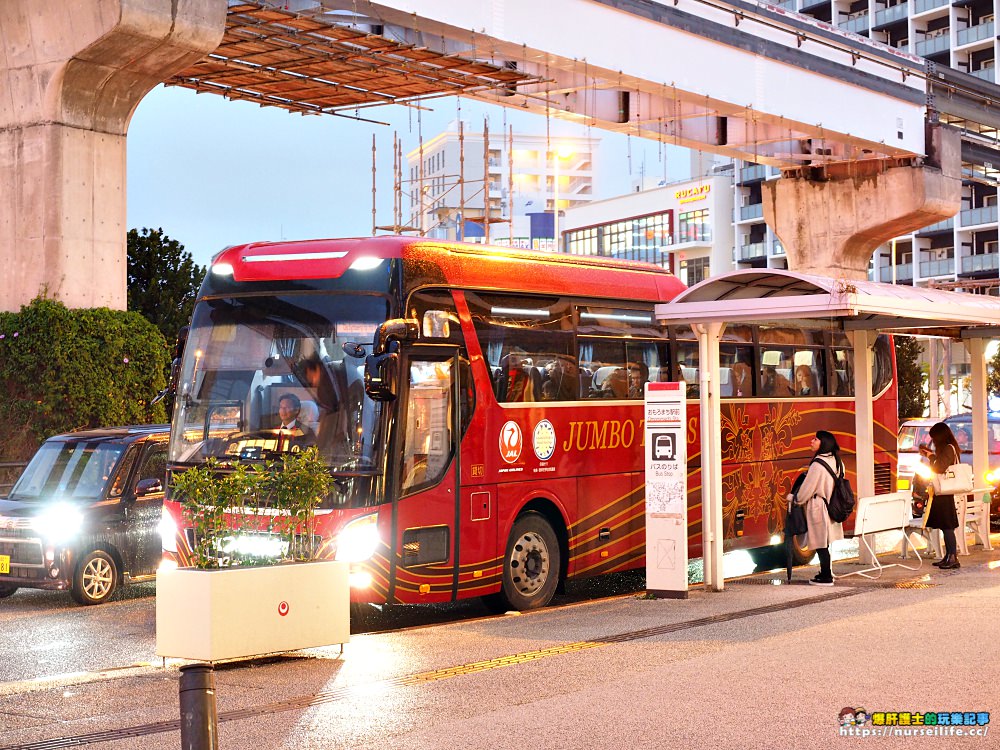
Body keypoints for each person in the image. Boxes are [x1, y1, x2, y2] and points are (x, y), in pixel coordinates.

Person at [788, 430, 845, 586]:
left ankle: (826, 576)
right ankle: (825, 573)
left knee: (820, 543)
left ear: (823, 443)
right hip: (831, 504)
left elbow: (807, 489)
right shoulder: (837, 460)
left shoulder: (817, 465)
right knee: (824, 542)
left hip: (819, 506)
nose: (811, 441)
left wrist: (795, 499)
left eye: (815, 439)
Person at [920, 421, 962, 570]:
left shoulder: (948, 449)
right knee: (945, 526)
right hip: (942, 492)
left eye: (934, 438)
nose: (933, 441)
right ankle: (948, 556)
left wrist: (931, 457)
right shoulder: (947, 448)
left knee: (947, 526)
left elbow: (939, 468)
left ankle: (952, 557)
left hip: (945, 493)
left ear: (940, 437)